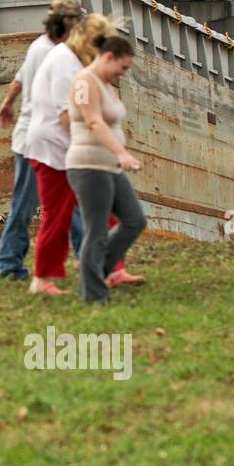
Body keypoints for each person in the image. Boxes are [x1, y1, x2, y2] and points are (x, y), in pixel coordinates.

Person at [24, 13, 115, 295]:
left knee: (99, 208)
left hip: (60, 147)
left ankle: (109, 267)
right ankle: (41, 279)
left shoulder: (70, 60)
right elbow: (67, 114)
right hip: (53, 149)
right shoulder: (65, 63)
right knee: (59, 215)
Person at [0, 0, 85, 280]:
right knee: (29, 203)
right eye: (77, 19)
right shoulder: (55, 53)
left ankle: (91, 257)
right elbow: (61, 103)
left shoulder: (39, 46)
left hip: (36, 137)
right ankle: (9, 264)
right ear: (67, 22)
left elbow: (20, 79)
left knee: (63, 203)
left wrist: (7, 103)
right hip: (41, 141)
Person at [66, 35, 148, 301]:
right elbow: (94, 122)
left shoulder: (106, 84)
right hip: (88, 165)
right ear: (108, 56)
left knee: (135, 220)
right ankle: (93, 295)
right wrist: (121, 152)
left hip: (109, 166)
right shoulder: (85, 82)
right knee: (97, 229)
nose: (123, 73)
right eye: (122, 67)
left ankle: (95, 270)